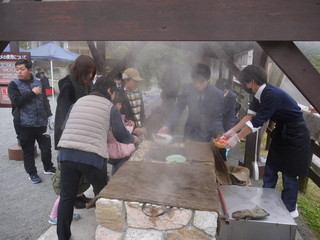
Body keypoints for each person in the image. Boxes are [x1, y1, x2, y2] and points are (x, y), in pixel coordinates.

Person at [223, 65, 311, 218]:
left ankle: (290, 210)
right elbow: (248, 117)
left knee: (289, 174)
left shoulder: (271, 94)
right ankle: (265, 203)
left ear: (252, 81)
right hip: (281, 132)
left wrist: (236, 139)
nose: (244, 86)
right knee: (270, 168)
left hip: (296, 134)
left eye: (244, 83)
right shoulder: (257, 94)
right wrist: (230, 132)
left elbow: (256, 122)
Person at [57, 77, 138, 240]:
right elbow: (120, 135)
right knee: (102, 193)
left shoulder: (77, 103)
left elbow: (64, 126)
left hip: (66, 155)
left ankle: (63, 236)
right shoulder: (110, 107)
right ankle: (106, 231)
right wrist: (133, 139)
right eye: (114, 93)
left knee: (67, 197)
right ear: (109, 91)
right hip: (92, 157)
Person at [53, 55, 96, 209]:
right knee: (73, 167)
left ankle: (79, 194)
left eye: (92, 72)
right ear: (79, 71)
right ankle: (73, 197)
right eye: (87, 72)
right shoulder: (68, 86)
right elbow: (64, 113)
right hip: (70, 132)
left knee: (81, 164)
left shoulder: (86, 84)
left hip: (82, 131)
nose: (90, 76)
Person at [8, 59, 55, 184]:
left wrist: (49, 116)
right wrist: (32, 93)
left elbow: (45, 101)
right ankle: (32, 173)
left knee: (46, 148)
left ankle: (48, 167)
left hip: (41, 123)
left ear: (30, 70)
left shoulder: (38, 82)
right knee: (28, 151)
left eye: (22, 69)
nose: (19, 72)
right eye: (17, 69)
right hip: (24, 124)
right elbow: (17, 101)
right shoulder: (13, 84)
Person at [158, 63, 225, 143]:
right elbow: (178, 109)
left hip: (207, 135)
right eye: (195, 82)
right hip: (189, 132)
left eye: (200, 82)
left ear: (208, 79)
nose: (197, 85)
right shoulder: (187, 88)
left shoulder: (217, 94)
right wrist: (167, 125)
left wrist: (220, 133)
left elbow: (217, 118)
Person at [107, 93, 136, 175]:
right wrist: (131, 131)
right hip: (117, 149)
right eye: (119, 104)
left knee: (118, 169)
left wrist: (128, 125)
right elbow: (119, 133)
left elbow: (121, 129)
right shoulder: (113, 115)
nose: (120, 106)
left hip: (116, 149)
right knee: (120, 171)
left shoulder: (116, 115)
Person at [118, 68, 147, 138]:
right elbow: (119, 118)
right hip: (127, 134)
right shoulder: (119, 95)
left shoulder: (138, 93)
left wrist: (145, 126)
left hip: (140, 131)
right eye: (134, 81)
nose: (137, 83)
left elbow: (142, 113)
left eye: (138, 81)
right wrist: (132, 129)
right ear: (126, 80)